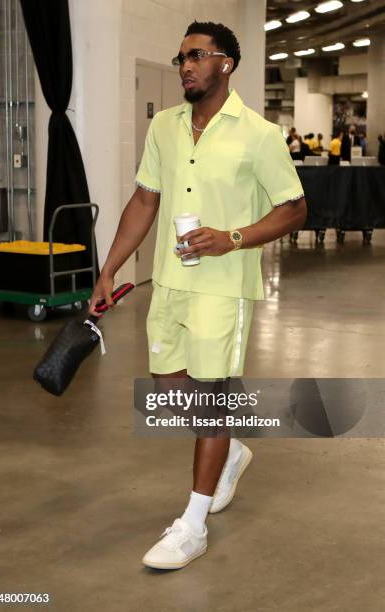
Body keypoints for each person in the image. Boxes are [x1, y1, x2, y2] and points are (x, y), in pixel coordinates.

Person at [89, 20, 306, 571]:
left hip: (224, 286)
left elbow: (294, 209)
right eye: (180, 57)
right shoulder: (164, 126)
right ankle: (230, 449)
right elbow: (144, 201)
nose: (184, 65)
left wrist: (231, 237)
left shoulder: (258, 134)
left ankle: (193, 523)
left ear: (225, 63)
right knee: (167, 389)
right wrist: (109, 270)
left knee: (213, 399)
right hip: (171, 281)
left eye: (195, 56)